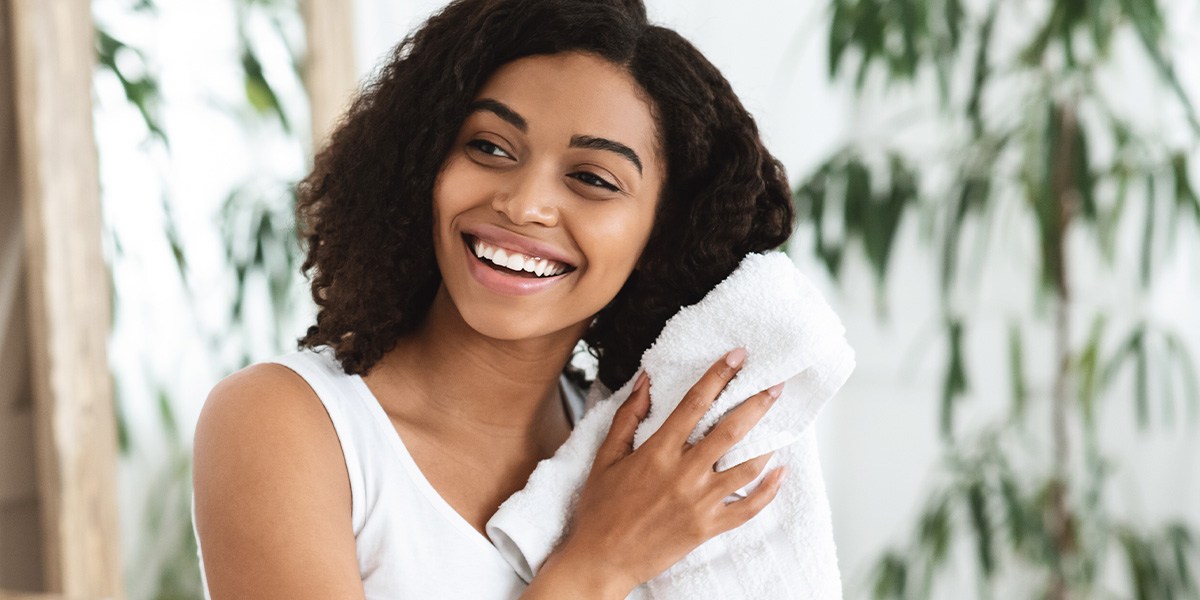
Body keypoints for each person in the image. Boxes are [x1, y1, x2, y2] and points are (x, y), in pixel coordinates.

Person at [191, 0, 797, 597]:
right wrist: (598, 567)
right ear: (423, 162)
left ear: (661, 236)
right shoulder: (288, 423)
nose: (523, 203)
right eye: (490, 147)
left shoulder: (646, 459)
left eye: (592, 179)